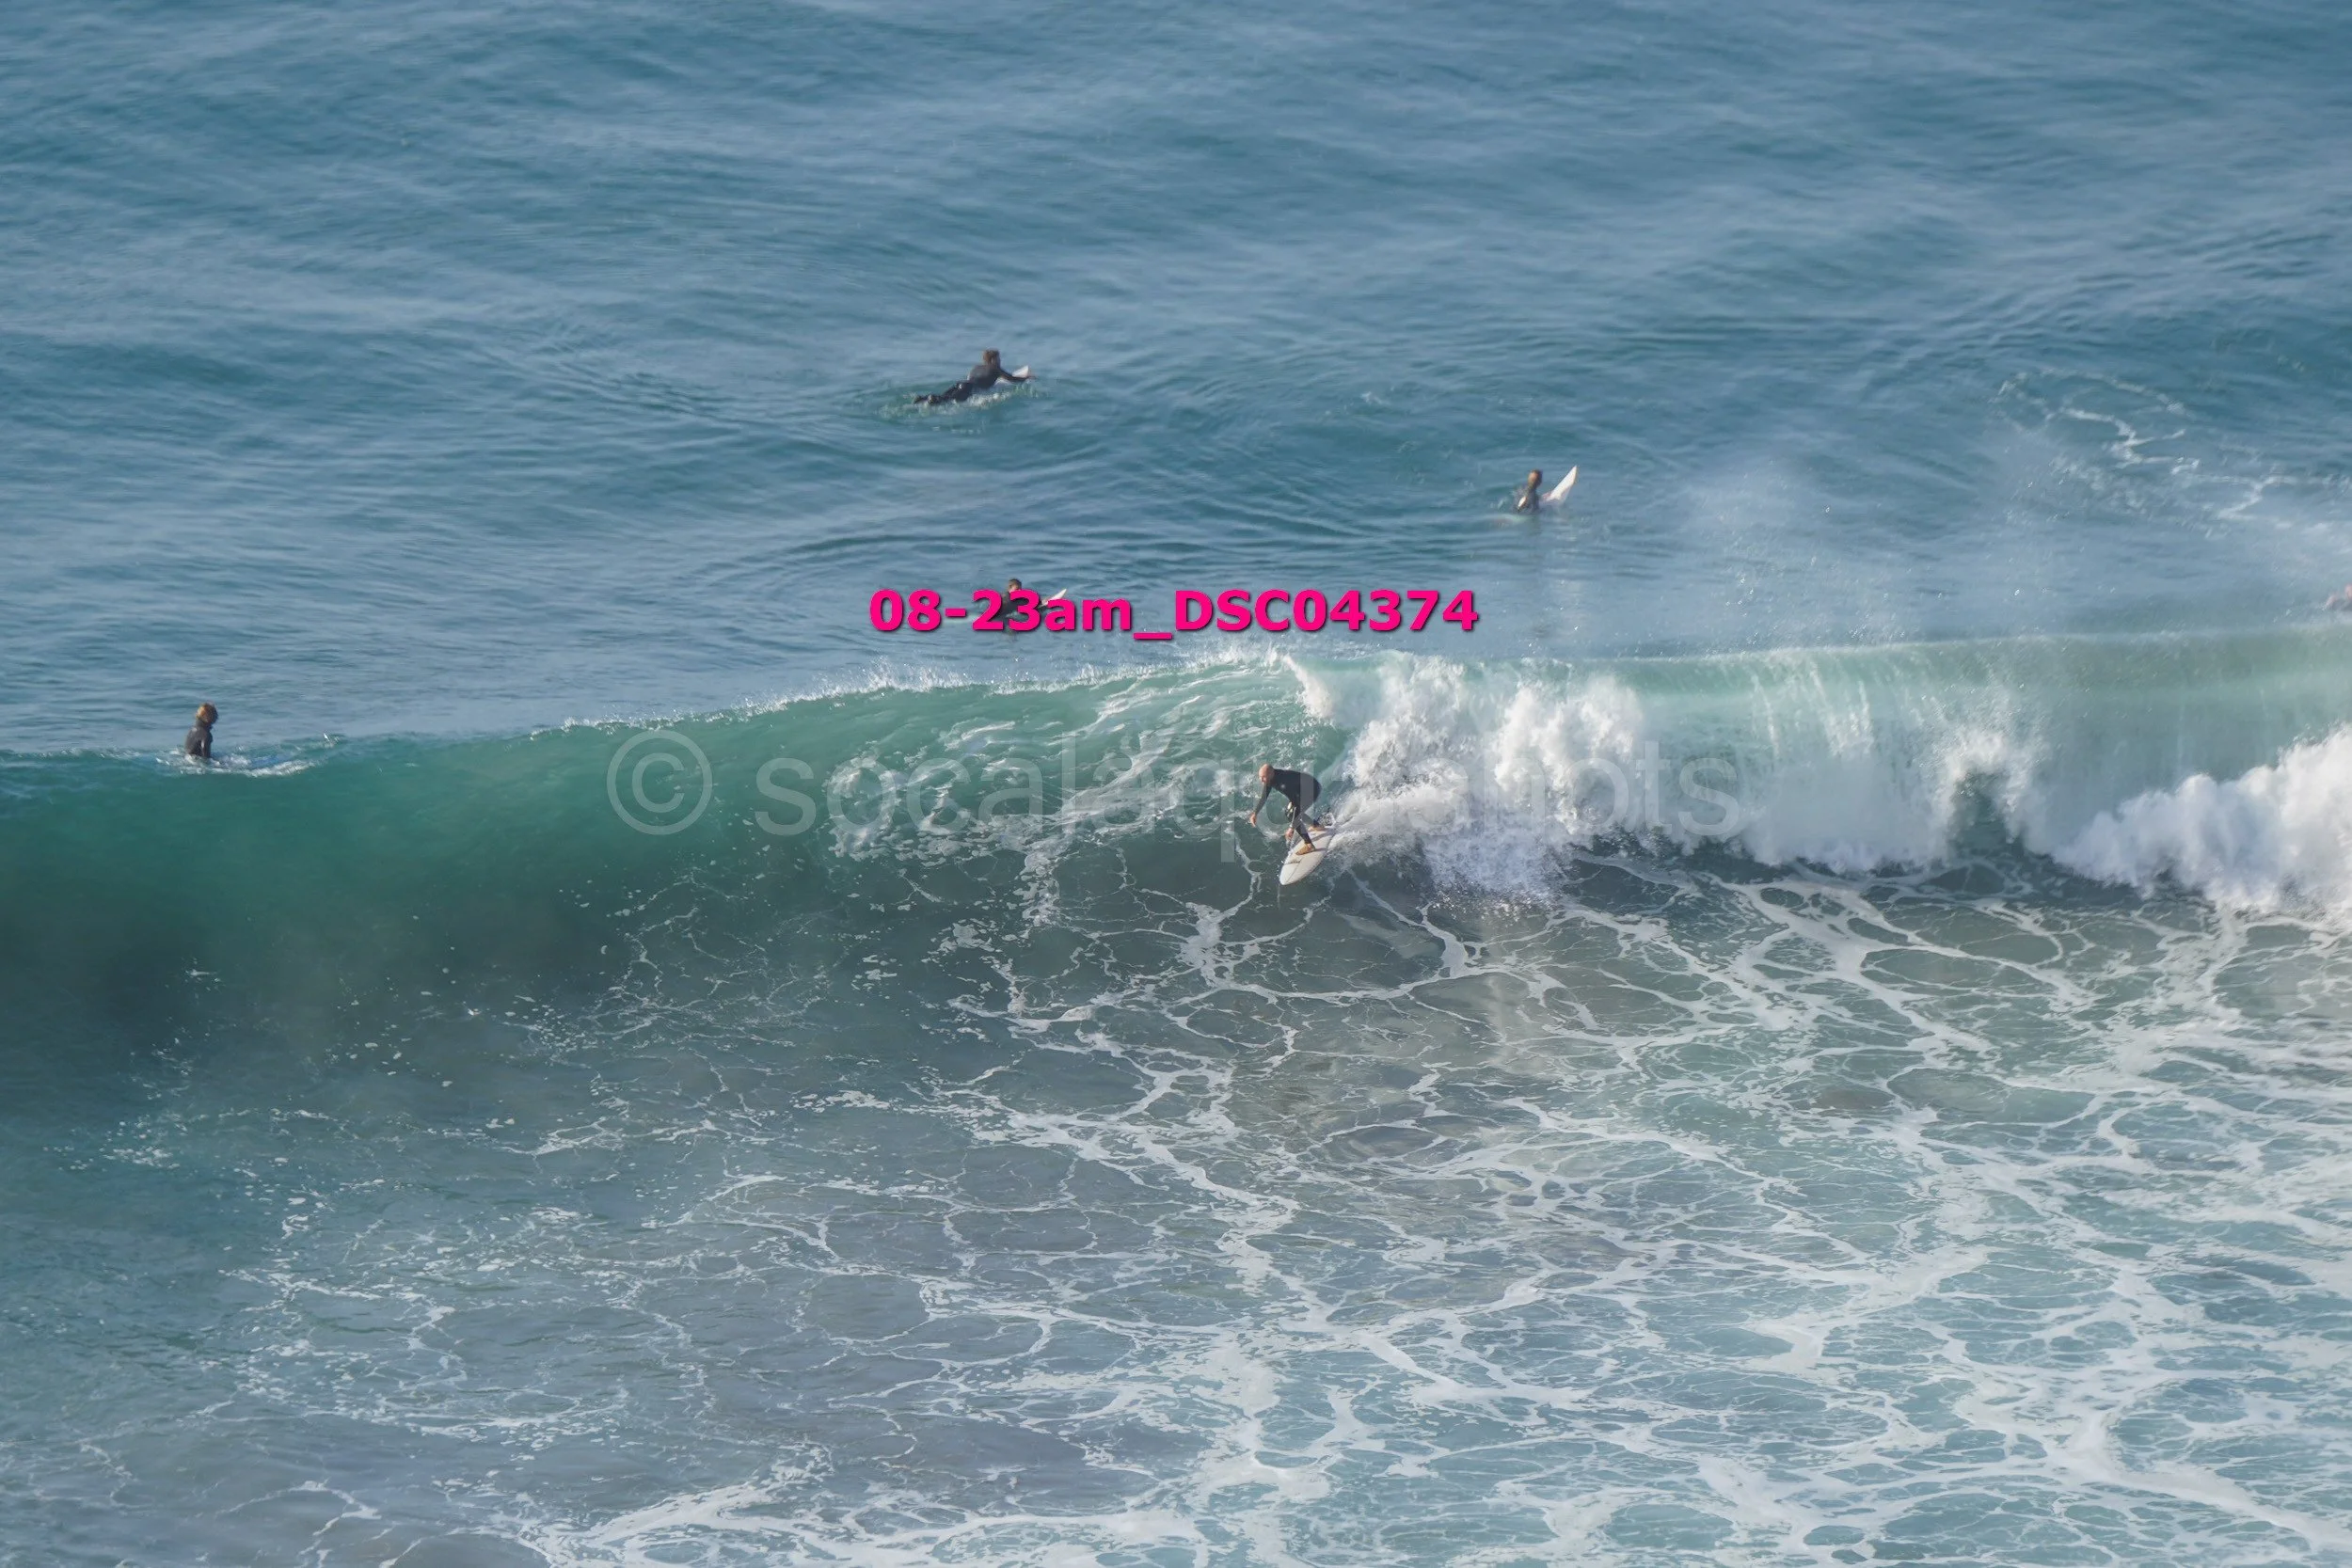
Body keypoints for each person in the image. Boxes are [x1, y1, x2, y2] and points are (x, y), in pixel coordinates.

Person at [1249, 763, 1324, 851]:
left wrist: (1291, 828)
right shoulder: (1270, 779)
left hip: (1312, 790)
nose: (1261, 780)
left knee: (1293, 814)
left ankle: (1309, 845)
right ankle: (1316, 826)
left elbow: (1297, 807)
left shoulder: (1283, 784)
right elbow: (1264, 797)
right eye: (1260, 777)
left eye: (1263, 777)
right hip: (1302, 790)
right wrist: (1255, 813)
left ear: (1270, 774)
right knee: (1289, 812)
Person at [917, 349, 1031, 405]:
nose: (1000, 360)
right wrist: (1027, 378)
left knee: (944, 396)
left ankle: (922, 398)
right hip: (969, 388)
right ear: (993, 360)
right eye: (998, 358)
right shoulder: (995, 368)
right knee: (947, 401)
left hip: (962, 383)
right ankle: (931, 399)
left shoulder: (976, 367)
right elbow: (1011, 378)